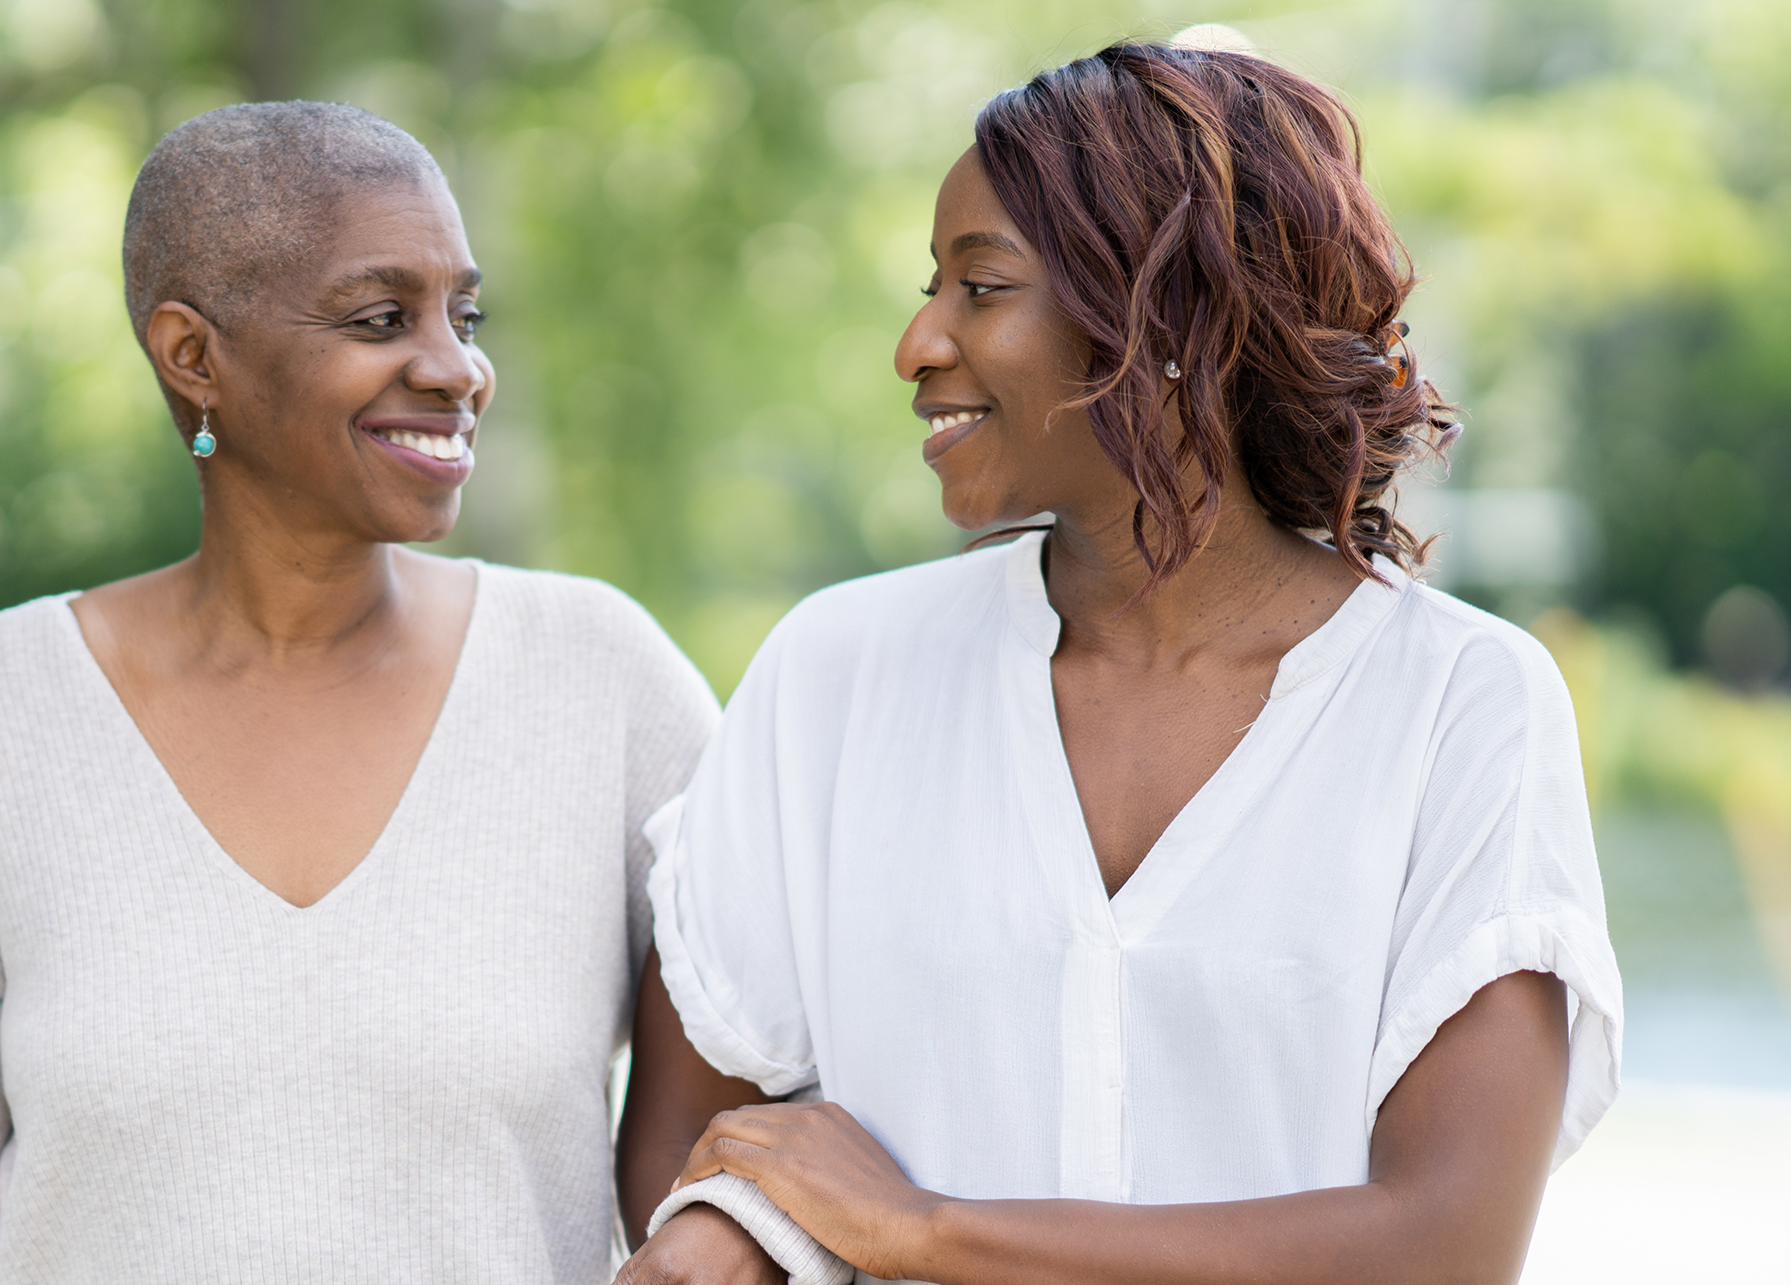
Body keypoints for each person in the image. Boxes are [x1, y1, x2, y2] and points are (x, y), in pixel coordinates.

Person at [615, 41, 1621, 1285]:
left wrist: (925, 1230)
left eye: (981, 287)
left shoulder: (1463, 705)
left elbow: (1444, 1246)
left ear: (1165, 319)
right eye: (934, 287)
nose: (918, 343)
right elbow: (686, 1141)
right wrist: (734, 1227)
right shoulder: (836, 674)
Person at [0, 102, 718, 1284]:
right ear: (194, 355)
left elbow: (787, 1097)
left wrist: (728, 1221)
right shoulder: (4, 710)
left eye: (465, 313)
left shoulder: (604, 681)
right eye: (383, 317)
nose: (458, 368)